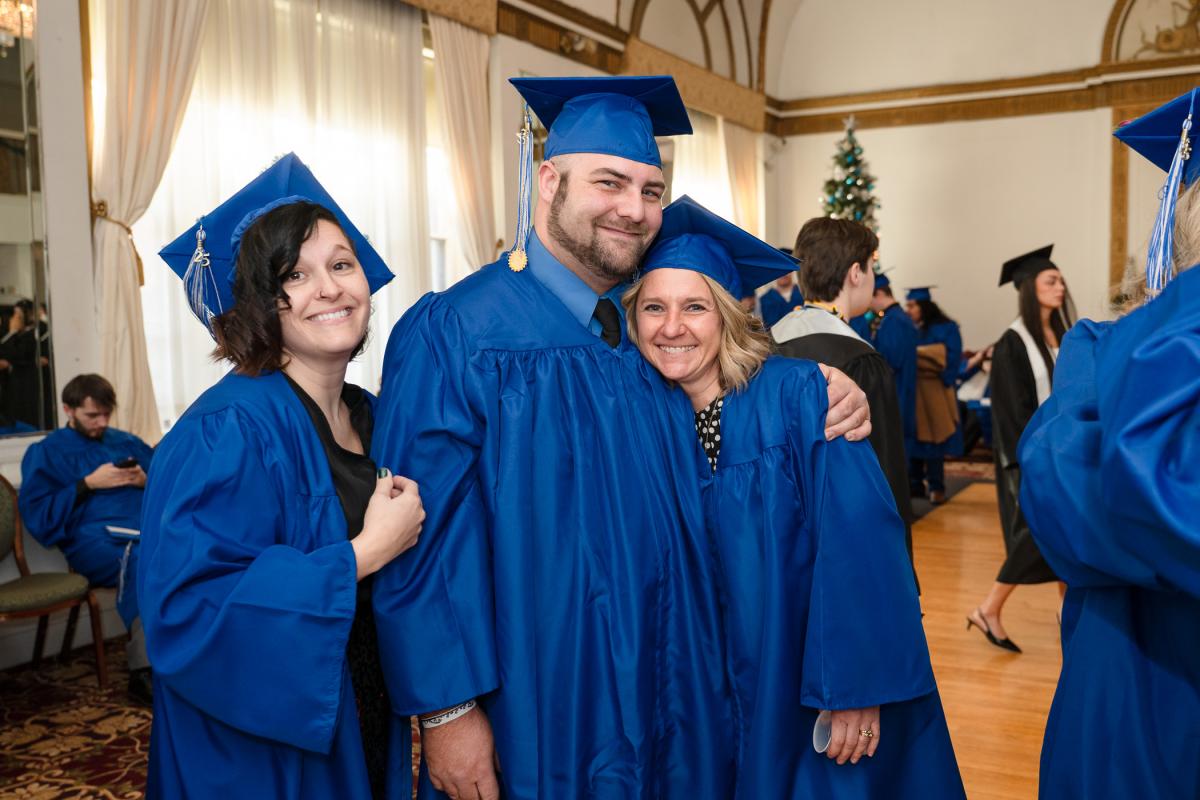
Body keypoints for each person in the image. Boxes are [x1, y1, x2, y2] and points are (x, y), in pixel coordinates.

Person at [369, 76, 871, 800]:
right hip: (538, 693)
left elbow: (731, 433)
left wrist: (818, 386)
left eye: (651, 191)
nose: (634, 210)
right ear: (549, 181)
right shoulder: (459, 330)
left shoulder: (648, 338)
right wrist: (448, 710)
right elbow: (421, 535)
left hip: (669, 682)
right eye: (610, 183)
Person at [624, 196, 963, 798]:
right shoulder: (641, 419)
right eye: (655, 307)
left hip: (802, 684)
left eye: (695, 307)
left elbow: (862, 541)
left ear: (728, 315)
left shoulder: (799, 394)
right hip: (700, 698)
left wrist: (857, 688)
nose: (671, 327)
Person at [144, 153, 425, 798]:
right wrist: (360, 555)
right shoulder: (229, 429)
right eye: (294, 275)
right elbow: (189, 610)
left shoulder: (375, 417)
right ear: (258, 304)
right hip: (266, 746)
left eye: (341, 264)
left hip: (362, 704)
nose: (329, 288)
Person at [1019, 89, 1200, 798]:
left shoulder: (1094, 360)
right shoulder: (1100, 353)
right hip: (1132, 685)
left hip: (1117, 700)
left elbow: (1073, 507)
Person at [773, 217, 917, 580]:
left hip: (780, 535)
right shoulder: (861, 360)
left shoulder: (769, 344)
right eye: (871, 268)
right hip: (847, 541)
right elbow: (885, 474)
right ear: (856, 272)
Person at [18, 373, 154, 701]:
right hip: (93, 542)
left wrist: (144, 480)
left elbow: (170, 486)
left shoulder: (125, 442)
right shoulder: (46, 452)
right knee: (141, 561)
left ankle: (195, 656)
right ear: (68, 410)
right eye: (92, 416)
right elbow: (40, 513)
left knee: (189, 552)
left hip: (143, 530)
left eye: (106, 414)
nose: (101, 423)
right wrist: (87, 484)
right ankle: (144, 671)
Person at [965, 246, 1073, 652]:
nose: (1060, 287)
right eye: (1051, 281)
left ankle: (1065, 610)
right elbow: (1011, 414)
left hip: (1063, 453)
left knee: (1064, 532)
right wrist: (1029, 461)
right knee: (1040, 533)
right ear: (1029, 288)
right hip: (1030, 457)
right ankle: (990, 608)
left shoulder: (1061, 333)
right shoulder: (1013, 342)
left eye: (1061, 280)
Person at [905, 287, 963, 504]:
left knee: (935, 439)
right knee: (915, 437)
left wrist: (944, 378)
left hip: (936, 390)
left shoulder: (946, 328)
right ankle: (915, 483)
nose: (908, 310)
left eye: (912, 305)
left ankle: (936, 485)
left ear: (924, 306)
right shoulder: (910, 328)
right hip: (914, 389)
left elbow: (951, 357)